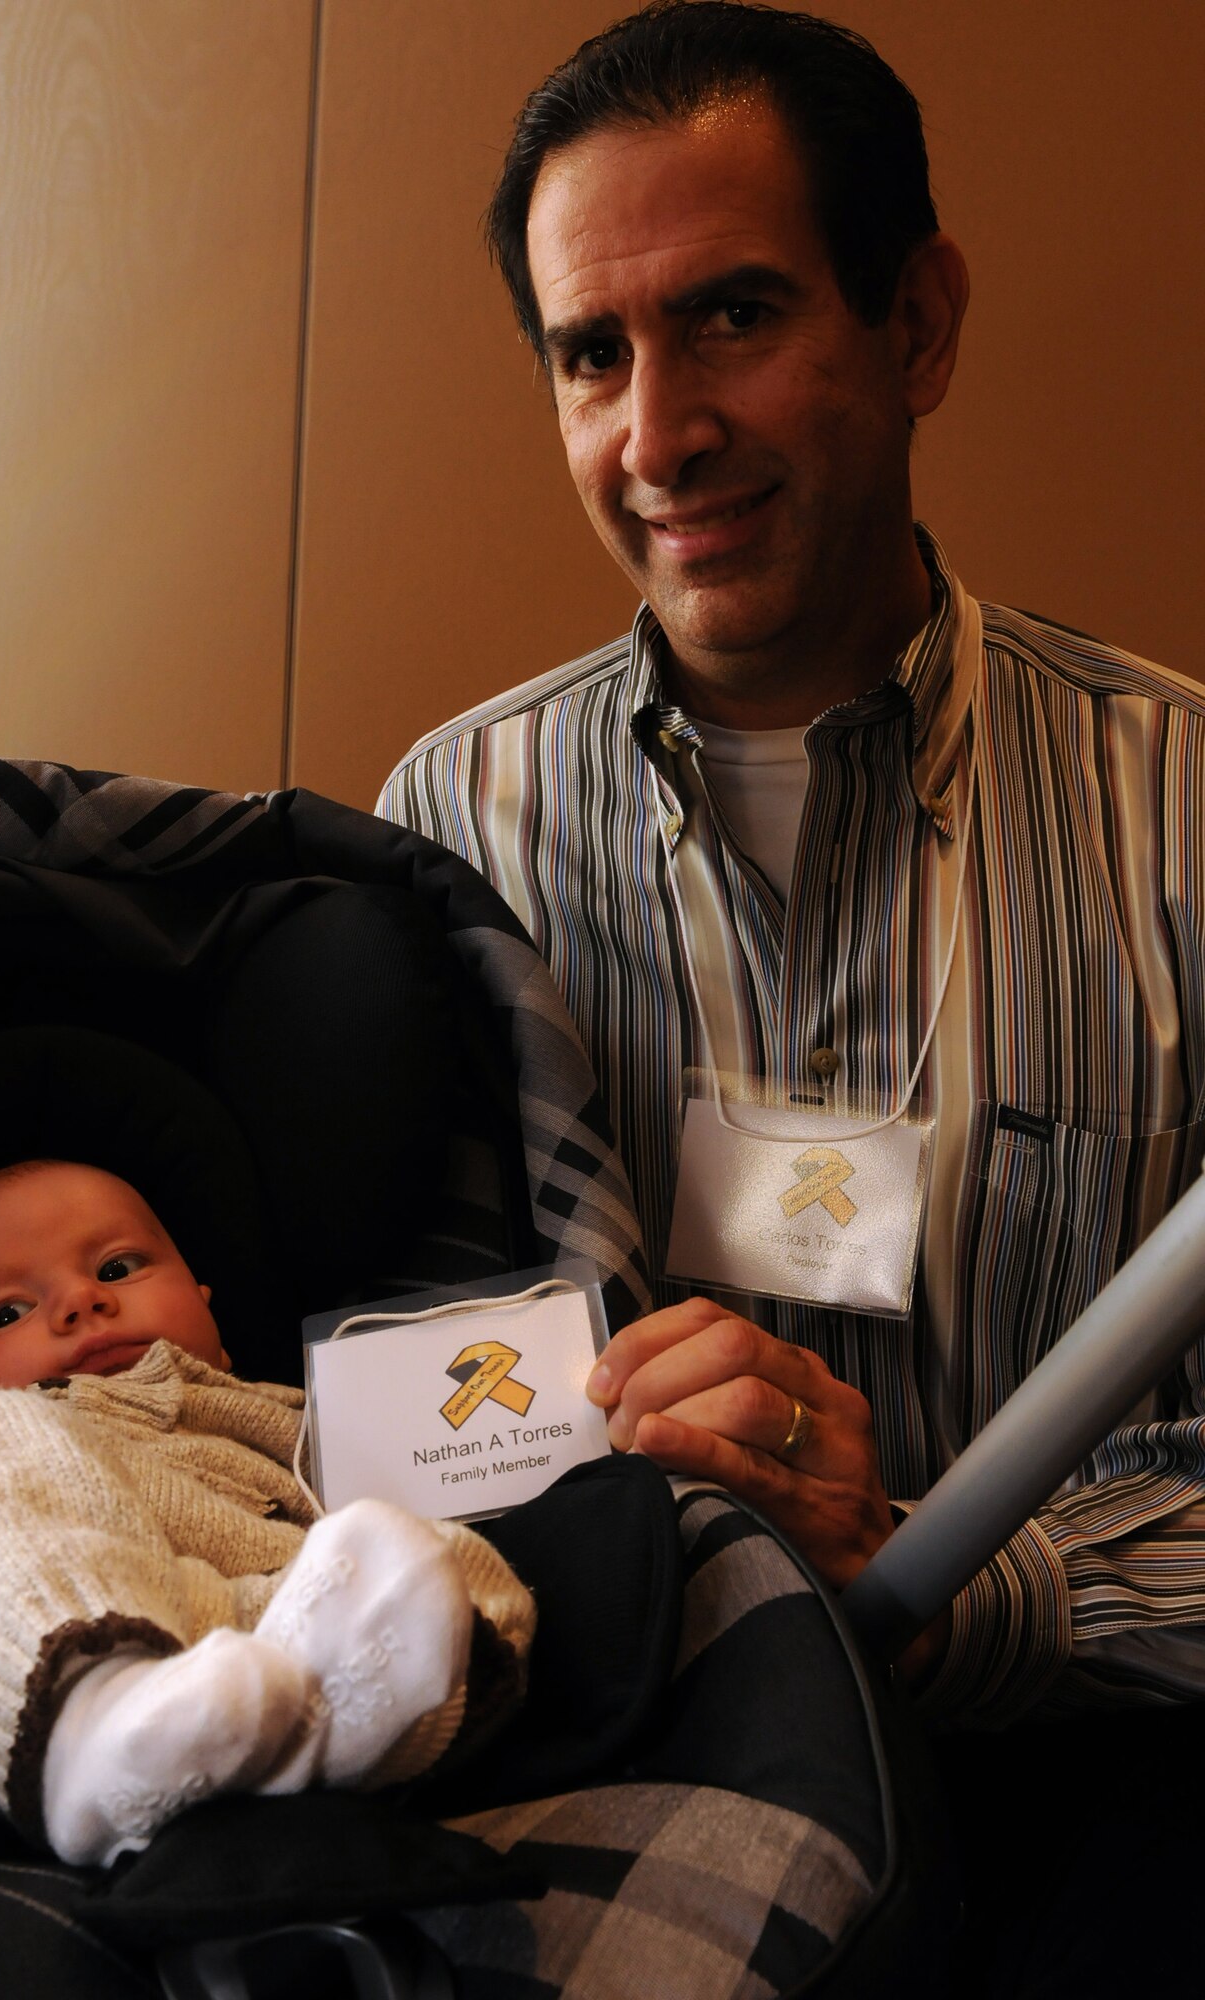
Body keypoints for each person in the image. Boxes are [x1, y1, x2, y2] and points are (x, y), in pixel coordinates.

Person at [379, 10, 1205, 1980]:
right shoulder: (441, 830)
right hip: (608, 1807)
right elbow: (397, 1402)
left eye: (732, 317)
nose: (656, 436)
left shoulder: (1183, 815)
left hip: (1094, 1812)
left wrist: (954, 1587)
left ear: (915, 327)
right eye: (595, 355)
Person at [0, 1158, 535, 1869]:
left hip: (276, 1638)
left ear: (208, 1310)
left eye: (118, 1267)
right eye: (7, 1313)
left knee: (450, 1564)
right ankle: (90, 1725)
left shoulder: (307, 1418)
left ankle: (292, 1748)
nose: (78, 1300)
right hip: (25, 1663)